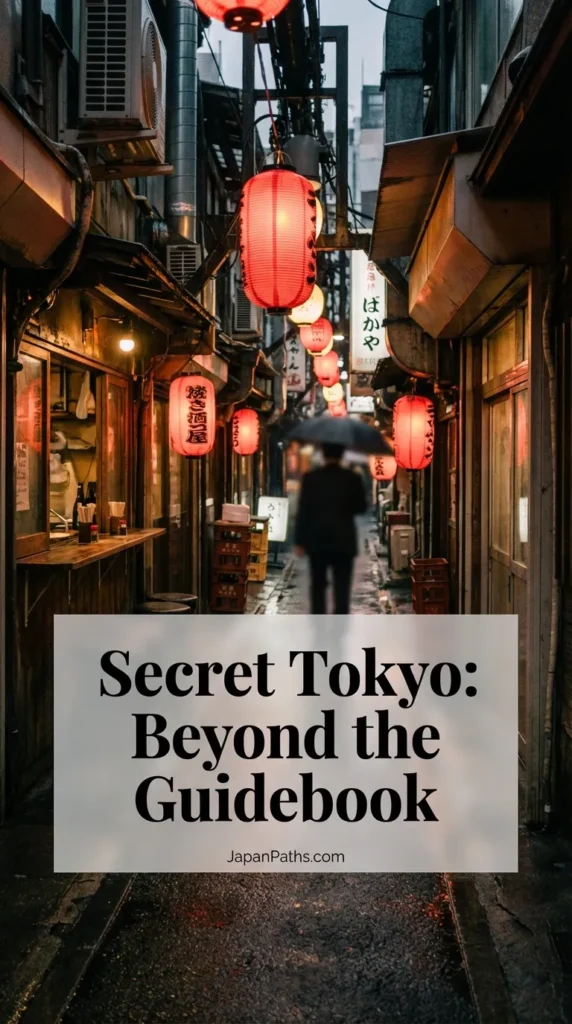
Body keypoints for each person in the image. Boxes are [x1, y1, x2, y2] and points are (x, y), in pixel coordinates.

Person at [294, 443, 367, 614]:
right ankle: (339, 628)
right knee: (342, 589)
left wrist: (299, 541)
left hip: (317, 541)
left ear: (323, 455)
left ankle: (319, 627)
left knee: (318, 586)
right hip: (343, 541)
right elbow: (361, 508)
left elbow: (303, 511)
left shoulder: (311, 478)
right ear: (342, 455)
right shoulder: (352, 478)